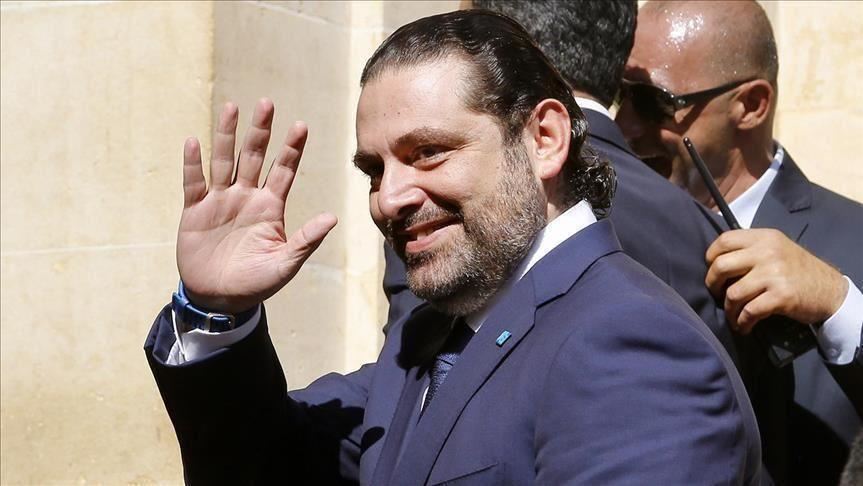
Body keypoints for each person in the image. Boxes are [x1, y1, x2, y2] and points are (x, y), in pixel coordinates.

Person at [146, 10, 763, 484]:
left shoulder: (630, 345)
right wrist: (217, 310)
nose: (390, 198)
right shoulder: (431, 340)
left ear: (545, 139)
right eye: (374, 170)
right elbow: (266, 462)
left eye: (428, 152)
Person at [385, 0, 732, 350]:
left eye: (461, 35)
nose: (389, 198)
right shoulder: (714, 235)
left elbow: (412, 378)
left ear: (508, 51)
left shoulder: (433, 216)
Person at [616, 1, 863, 484]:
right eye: (619, 95)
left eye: (652, 102)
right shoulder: (602, 231)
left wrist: (838, 306)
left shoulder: (854, 240)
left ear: (750, 105)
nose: (625, 126)